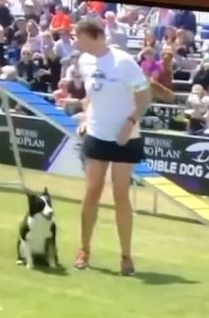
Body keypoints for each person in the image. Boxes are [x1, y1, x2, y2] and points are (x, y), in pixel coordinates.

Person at [73, 19, 151, 276]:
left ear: (96, 36)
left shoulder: (123, 62)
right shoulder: (84, 62)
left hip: (125, 137)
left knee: (120, 195)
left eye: (80, 37)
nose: (76, 42)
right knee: (92, 191)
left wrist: (130, 123)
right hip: (97, 133)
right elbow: (90, 97)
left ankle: (126, 256)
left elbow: (144, 97)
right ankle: (83, 249)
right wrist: (85, 117)